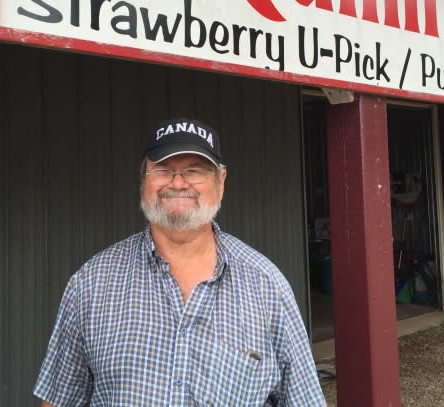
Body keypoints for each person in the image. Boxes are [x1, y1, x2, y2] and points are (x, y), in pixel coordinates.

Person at [34, 118, 325, 406]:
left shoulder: (267, 287)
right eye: (162, 170)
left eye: (194, 170)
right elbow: (60, 400)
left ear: (221, 182)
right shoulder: (92, 283)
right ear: (144, 180)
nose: (177, 182)